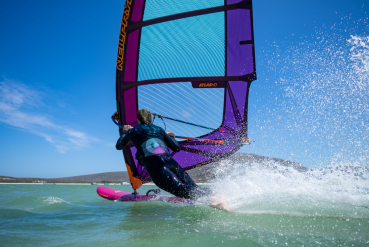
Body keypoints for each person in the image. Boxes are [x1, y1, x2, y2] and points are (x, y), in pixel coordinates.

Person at [115, 109, 211, 200]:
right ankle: (213, 197)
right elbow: (176, 148)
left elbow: (119, 146)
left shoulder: (134, 130)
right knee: (193, 188)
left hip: (156, 165)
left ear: (137, 119)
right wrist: (171, 137)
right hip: (171, 162)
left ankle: (215, 195)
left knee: (179, 189)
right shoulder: (160, 130)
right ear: (150, 119)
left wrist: (125, 132)